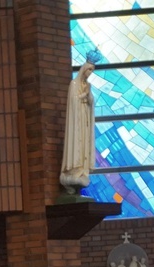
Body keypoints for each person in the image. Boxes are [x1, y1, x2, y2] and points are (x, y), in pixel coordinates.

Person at [60, 56, 98, 195]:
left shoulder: (87, 85)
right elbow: (73, 101)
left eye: (92, 71)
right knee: (76, 142)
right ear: (83, 69)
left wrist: (89, 97)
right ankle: (74, 168)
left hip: (84, 119)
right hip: (76, 119)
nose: (89, 74)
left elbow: (91, 101)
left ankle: (82, 168)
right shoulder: (74, 84)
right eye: (89, 70)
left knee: (84, 144)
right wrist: (84, 95)